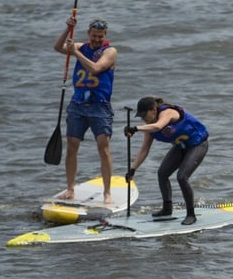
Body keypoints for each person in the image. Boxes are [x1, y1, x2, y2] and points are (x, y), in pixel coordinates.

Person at [52, 17, 118, 205]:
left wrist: (75, 52)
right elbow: (57, 47)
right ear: (88, 34)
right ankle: (70, 189)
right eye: (94, 36)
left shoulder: (110, 51)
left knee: (103, 147)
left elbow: (96, 68)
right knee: (72, 146)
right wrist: (68, 28)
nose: (96, 39)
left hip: (100, 105)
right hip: (78, 105)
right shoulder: (81, 47)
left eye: (100, 36)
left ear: (105, 35)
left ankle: (107, 193)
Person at [124, 97, 209, 225]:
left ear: (154, 110)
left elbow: (158, 126)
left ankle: (191, 214)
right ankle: (167, 209)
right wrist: (132, 169)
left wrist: (135, 129)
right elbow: (144, 150)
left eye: (144, 115)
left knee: (182, 177)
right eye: (140, 116)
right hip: (181, 146)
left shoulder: (167, 112)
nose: (143, 119)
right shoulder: (149, 128)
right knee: (162, 173)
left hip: (198, 145)